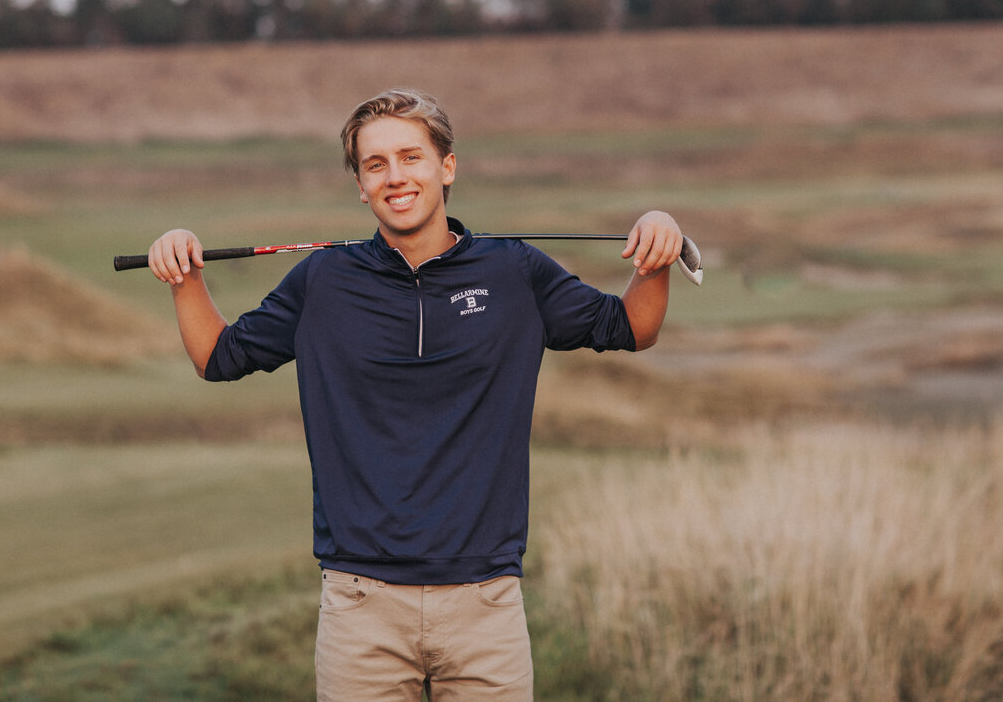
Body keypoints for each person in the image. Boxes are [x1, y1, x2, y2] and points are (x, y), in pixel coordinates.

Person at [147, 88, 684, 702]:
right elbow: (219, 357)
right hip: (360, 604)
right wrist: (183, 273)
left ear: (446, 166)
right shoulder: (323, 280)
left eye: (411, 157)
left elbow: (632, 328)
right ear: (360, 184)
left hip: (487, 601)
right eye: (375, 165)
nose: (395, 177)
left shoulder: (515, 272)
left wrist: (656, 250)